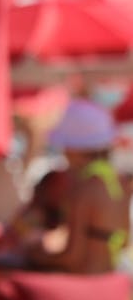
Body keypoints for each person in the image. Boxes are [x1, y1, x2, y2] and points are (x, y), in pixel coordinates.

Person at [27, 99, 130, 274]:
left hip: (86, 285)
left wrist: (35, 256)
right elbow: (124, 242)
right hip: (112, 284)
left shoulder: (84, 188)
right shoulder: (119, 183)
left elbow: (73, 257)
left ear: (74, 148)